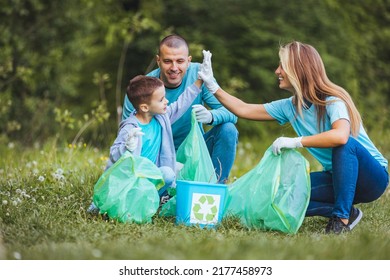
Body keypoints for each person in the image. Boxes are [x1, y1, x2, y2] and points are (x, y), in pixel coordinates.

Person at [198, 43, 389, 234]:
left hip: (371, 179)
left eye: (282, 66)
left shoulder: (332, 100)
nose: (277, 71)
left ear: (298, 69)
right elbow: (244, 108)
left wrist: (296, 141)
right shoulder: (290, 107)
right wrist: (212, 85)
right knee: (282, 196)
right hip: (337, 180)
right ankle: (347, 212)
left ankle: (340, 220)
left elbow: (340, 136)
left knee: (345, 145)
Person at [122, 34, 238, 184]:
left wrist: (211, 116)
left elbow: (232, 112)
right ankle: (164, 191)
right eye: (167, 61)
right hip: (158, 158)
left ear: (188, 61)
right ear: (158, 61)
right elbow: (127, 133)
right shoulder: (143, 89)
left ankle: (214, 190)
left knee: (228, 129)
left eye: (180, 61)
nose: (174, 68)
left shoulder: (200, 75)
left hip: (195, 152)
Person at [88, 70, 206, 214]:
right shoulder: (130, 128)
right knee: (167, 174)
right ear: (145, 107)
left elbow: (180, 104)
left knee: (171, 173)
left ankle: (154, 201)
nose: (166, 101)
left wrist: (200, 80)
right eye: (161, 99)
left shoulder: (161, 118)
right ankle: (115, 203)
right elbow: (114, 154)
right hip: (132, 181)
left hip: (151, 178)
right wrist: (127, 147)